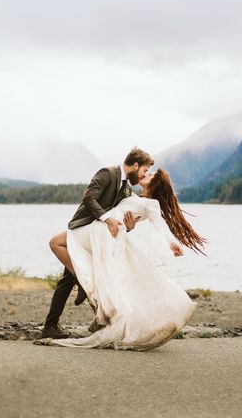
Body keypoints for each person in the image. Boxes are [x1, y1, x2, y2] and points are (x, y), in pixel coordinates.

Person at [42, 168, 207, 351]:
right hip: (100, 233)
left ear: (155, 184)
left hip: (104, 237)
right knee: (87, 277)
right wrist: (125, 225)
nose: (147, 173)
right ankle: (61, 322)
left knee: (88, 273)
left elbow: (158, 224)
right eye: (147, 170)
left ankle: (77, 321)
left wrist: (170, 242)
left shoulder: (150, 204)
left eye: (150, 174)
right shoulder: (133, 194)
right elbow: (119, 216)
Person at [40, 147, 155, 339]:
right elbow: (89, 198)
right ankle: (60, 322)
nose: (143, 174)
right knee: (72, 276)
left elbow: (121, 215)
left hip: (98, 237)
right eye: (144, 170)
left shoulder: (126, 187)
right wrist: (107, 218)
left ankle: (53, 326)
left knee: (69, 280)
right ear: (135, 165)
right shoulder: (108, 173)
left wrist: (130, 226)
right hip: (83, 228)